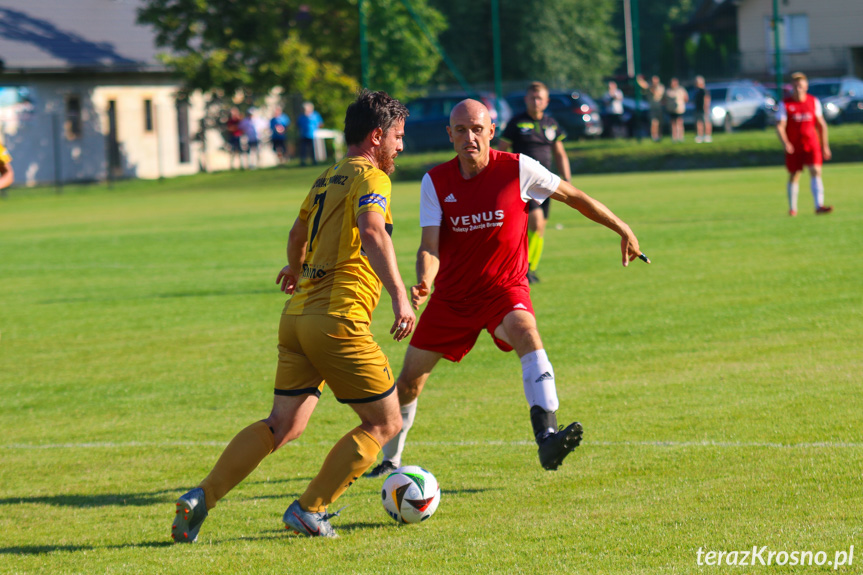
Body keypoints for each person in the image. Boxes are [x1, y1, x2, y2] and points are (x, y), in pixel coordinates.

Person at [171, 90, 414, 542]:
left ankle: (202, 496)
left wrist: (297, 267)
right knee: (385, 423)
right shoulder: (373, 178)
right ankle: (310, 509)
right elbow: (373, 230)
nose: (400, 147)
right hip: (337, 319)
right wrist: (401, 296)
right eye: (397, 137)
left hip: (297, 317)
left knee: (284, 424)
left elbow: (297, 231)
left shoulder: (325, 177)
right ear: (377, 136)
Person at [365, 99, 648, 479]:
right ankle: (389, 459)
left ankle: (547, 435)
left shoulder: (518, 169)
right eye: (461, 130)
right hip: (452, 298)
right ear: (450, 135)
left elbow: (574, 197)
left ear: (491, 131)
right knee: (409, 384)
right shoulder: (435, 181)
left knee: (527, 332)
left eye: (477, 129)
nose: (470, 137)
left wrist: (623, 228)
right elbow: (429, 246)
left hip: (504, 290)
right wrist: (425, 280)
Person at [498, 81, 572, 284]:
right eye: (532, 97)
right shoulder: (516, 122)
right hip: (523, 183)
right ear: (526, 100)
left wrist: (567, 179)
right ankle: (523, 268)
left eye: (539, 98)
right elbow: (502, 149)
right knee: (535, 222)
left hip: (546, 183)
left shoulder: (551, 123)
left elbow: (559, 152)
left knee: (540, 228)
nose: (536, 101)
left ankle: (530, 267)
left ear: (547, 101)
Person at [775, 72, 833, 216]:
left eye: (801, 85)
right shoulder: (786, 104)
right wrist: (785, 143)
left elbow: (821, 125)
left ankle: (818, 205)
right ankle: (792, 208)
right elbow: (780, 125)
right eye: (795, 86)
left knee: (816, 171)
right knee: (795, 174)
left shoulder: (813, 101)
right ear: (792, 87)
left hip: (811, 143)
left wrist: (825, 145)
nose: (798, 88)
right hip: (794, 146)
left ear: (806, 86)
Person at [636, 74, 665, 142]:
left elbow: (657, 94)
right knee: (653, 122)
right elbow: (643, 88)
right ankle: (654, 136)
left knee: (660, 123)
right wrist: (640, 80)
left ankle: (659, 136)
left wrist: (651, 88)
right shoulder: (649, 87)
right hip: (652, 108)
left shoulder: (660, 87)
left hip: (659, 108)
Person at [298, 102, 324, 166]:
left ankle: (314, 161)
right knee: (303, 149)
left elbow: (320, 123)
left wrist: (317, 130)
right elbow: (298, 124)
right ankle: (303, 161)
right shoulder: (302, 116)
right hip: (304, 135)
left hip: (313, 135)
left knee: (313, 149)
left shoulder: (315, 115)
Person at [664, 78, 688, 143]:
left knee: (679, 123)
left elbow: (686, 98)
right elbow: (664, 100)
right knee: (673, 124)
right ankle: (674, 137)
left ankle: (680, 137)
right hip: (671, 110)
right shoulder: (668, 91)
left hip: (679, 109)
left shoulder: (681, 90)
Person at [693, 76, 712, 144]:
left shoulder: (704, 90)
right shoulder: (696, 90)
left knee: (706, 122)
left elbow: (707, 99)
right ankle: (699, 136)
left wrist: (706, 108)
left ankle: (707, 136)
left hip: (704, 109)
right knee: (698, 122)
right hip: (698, 108)